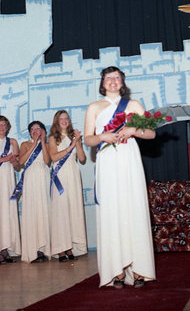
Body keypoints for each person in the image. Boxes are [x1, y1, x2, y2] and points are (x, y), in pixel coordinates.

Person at [84, 66, 156, 288]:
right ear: (102, 82)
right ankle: (116, 271)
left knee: (132, 208)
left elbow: (151, 133)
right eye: (108, 78)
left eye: (116, 77)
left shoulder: (133, 105)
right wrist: (102, 135)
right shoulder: (94, 107)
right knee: (112, 211)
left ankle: (139, 270)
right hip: (107, 162)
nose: (112, 81)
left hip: (128, 159)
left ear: (122, 82)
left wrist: (134, 131)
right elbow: (88, 139)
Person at [49, 110, 87, 262]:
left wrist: (77, 142)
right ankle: (60, 249)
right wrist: (71, 145)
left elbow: (83, 158)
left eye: (66, 118)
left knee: (73, 210)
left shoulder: (74, 137)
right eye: (61, 118)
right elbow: (54, 157)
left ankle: (70, 247)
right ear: (57, 121)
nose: (64, 121)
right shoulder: (53, 138)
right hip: (60, 176)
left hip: (73, 174)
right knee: (60, 211)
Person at [18, 121, 51, 263]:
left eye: (38, 128)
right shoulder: (25, 144)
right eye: (32, 129)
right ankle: (32, 250)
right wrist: (34, 143)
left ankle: (43, 249)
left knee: (43, 210)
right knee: (32, 212)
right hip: (30, 178)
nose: (35, 130)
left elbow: (46, 161)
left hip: (43, 177)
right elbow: (21, 162)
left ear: (43, 130)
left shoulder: (48, 145)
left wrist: (42, 142)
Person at [0, 116, 21, 264]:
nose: (2, 127)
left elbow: (18, 166)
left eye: (4, 125)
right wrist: (3, 159)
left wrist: (13, 160)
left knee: (7, 213)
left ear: (8, 127)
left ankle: (5, 250)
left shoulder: (12, 142)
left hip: (8, 179)